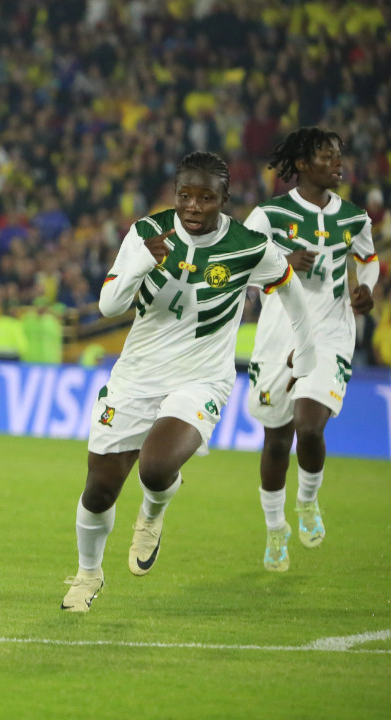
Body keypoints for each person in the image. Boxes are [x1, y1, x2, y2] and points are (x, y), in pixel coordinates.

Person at [61, 152, 317, 612]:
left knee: (156, 467)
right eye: (185, 196)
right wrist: (141, 262)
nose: (194, 207)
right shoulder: (145, 234)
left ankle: (152, 514)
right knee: (99, 489)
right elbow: (108, 306)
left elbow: (288, 284)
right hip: (136, 376)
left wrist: (307, 345)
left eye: (205, 198)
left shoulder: (247, 246)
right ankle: (88, 574)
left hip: (201, 377)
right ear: (175, 195)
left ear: (223, 199)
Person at [245, 128, 380, 572]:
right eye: (327, 157)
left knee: (310, 426)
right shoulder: (268, 216)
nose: (338, 164)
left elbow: (367, 259)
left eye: (339, 156)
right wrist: (280, 265)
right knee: (277, 440)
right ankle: (274, 529)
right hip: (278, 334)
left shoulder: (355, 218)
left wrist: (366, 290)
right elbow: (237, 269)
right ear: (302, 164)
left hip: (330, 331)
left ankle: (307, 500)